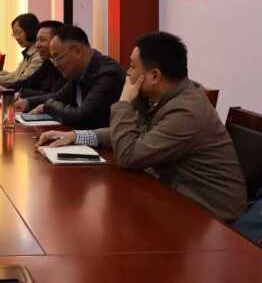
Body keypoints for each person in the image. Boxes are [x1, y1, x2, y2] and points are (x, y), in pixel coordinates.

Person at [37, 32, 247, 222]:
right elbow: (134, 132)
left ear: (154, 76)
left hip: (209, 217)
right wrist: (77, 136)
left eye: (133, 66)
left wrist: (124, 102)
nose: (127, 73)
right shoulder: (164, 96)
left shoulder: (186, 111)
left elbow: (129, 156)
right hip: (172, 196)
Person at [18, 24, 124, 129]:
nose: (55, 64)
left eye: (57, 57)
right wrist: (28, 102)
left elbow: (82, 117)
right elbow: (57, 96)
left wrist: (48, 106)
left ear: (76, 50)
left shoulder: (108, 74)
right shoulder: (78, 72)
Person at [0, 13, 42, 87]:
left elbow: (22, 80)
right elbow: (15, 75)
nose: (17, 37)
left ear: (30, 30)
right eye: (14, 34)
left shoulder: (39, 54)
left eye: (19, 33)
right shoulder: (29, 51)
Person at [10, 20, 65, 98]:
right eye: (37, 40)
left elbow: (54, 95)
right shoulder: (48, 62)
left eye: (42, 40)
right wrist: (8, 90)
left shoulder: (66, 65)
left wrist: (22, 93)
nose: (37, 45)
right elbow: (29, 82)